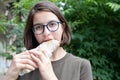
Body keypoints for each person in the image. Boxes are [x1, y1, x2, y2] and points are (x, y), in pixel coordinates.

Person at [4, 1, 93, 80]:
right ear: (33, 33)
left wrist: (49, 76)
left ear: (62, 27)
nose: (46, 33)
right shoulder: (23, 65)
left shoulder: (81, 66)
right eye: (38, 27)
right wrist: (9, 77)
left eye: (52, 24)